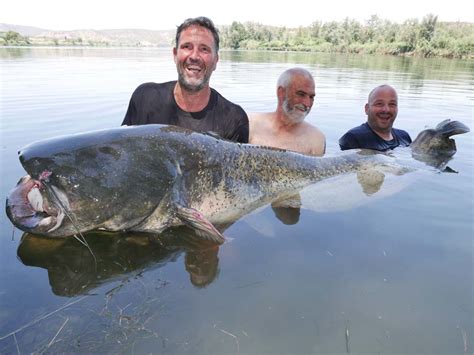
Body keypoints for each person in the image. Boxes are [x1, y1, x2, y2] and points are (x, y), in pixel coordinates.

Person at [122, 17, 249, 143]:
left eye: (204, 49)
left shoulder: (234, 119)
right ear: (175, 55)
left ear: (216, 61)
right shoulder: (144, 98)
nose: (194, 56)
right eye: (187, 47)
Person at [248, 67, 326, 156]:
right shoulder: (251, 125)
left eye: (311, 97)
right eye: (301, 94)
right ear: (281, 93)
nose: (307, 104)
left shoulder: (316, 139)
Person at [339, 84, 412, 151]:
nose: (386, 109)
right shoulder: (353, 138)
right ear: (367, 109)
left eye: (392, 104)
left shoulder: (404, 137)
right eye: (379, 104)